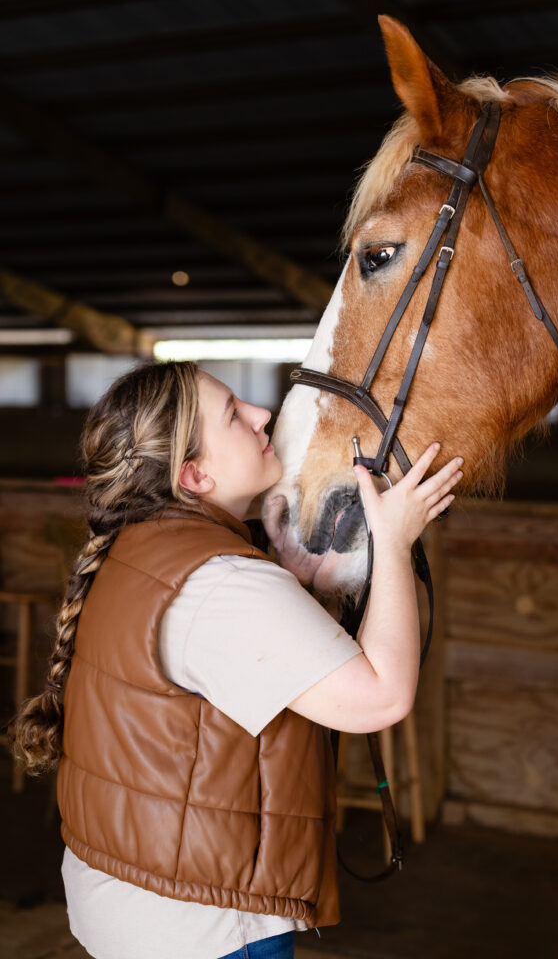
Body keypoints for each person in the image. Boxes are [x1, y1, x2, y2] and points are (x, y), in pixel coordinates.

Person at [10, 360, 463, 959]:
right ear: (193, 474)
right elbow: (381, 696)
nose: (262, 414)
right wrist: (396, 541)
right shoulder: (222, 582)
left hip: (132, 896)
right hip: (202, 927)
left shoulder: (148, 546)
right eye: (233, 414)